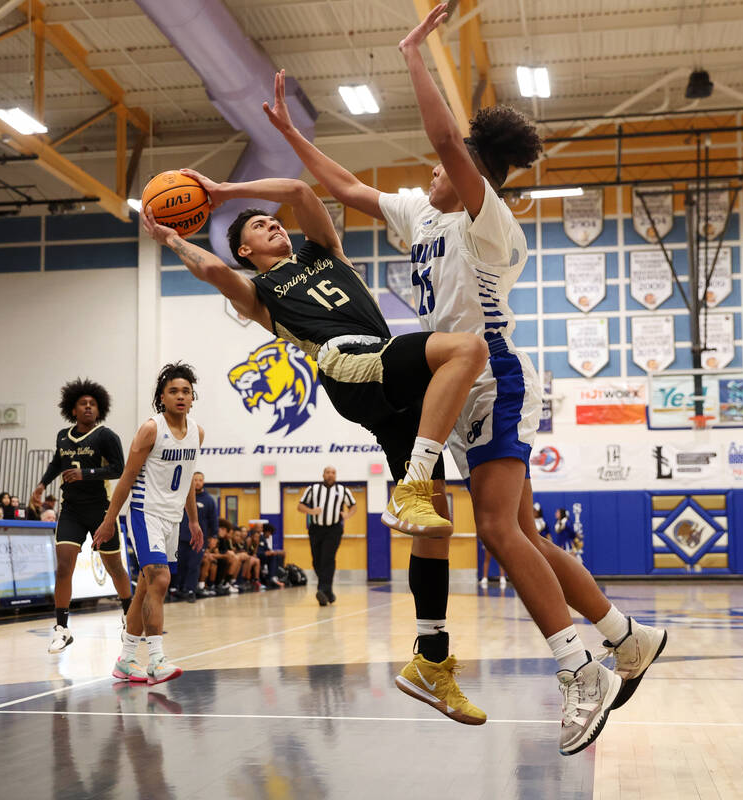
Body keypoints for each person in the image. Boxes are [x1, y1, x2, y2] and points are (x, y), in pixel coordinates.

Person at [264, 7, 664, 753]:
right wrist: (290, 136)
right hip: (471, 384)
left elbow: (448, 140)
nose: (430, 174)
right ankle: (624, 638)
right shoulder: (421, 213)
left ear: (470, 174)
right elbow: (346, 186)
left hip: (496, 379)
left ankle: (582, 671)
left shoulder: (489, 219)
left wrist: (415, 51)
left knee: (498, 533)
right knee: (527, 537)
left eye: (445, 168)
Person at [141, 161, 487, 722]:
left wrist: (226, 189)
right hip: (349, 363)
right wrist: (173, 236)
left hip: (383, 370)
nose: (272, 226)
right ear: (246, 251)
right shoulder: (257, 291)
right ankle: (414, 483)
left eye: (272, 222)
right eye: (258, 227)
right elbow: (209, 269)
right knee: (467, 350)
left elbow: (301, 189)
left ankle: (430, 658)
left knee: (435, 527)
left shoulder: (324, 254)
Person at [93, 363, 204, 685]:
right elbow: (127, 477)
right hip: (145, 512)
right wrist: (109, 519)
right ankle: (156, 660)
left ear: (193, 397)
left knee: (144, 589)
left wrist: (193, 522)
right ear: (162, 397)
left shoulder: (197, 432)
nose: (180, 396)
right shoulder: (150, 429)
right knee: (160, 578)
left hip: (173, 517)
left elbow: (184, 483)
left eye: (186, 391)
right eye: (174, 391)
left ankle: (126, 660)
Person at [31, 378, 132, 655]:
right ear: (72, 409)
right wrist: (41, 484)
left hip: (101, 509)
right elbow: (56, 462)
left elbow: (119, 469)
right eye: (83, 404)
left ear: (99, 410)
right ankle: (62, 629)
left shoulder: (106, 436)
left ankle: (129, 617)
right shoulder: (63, 436)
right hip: (71, 510)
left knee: (114, 568)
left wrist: (86, 474)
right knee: (63, 568)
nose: (88, 407)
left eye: (93, 404)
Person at [296, 466, 357, 605]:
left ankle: (322, 590)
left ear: (336, 475)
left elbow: (353, 506)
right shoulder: (313, 489)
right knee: (316, 561)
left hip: (334, 529)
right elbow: (300, 506)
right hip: (316, 529)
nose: (330, 475)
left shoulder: (342, 490)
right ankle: (328, 592)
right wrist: (311, 511)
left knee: (327, 558)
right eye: (328, 472)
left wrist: (347, 515)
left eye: (333, 473)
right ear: (323, 474)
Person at [174, 471, 216, 602]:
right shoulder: (182, 496)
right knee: (180, 564)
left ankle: (191, 590)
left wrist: (214, 537)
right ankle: (179, 589)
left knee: (194, 565)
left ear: (203, 482)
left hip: (198, 540)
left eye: (200, 480)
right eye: (195, 480)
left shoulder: (208, 500)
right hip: (182, 537)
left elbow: (213, 520)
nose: (197, 482)